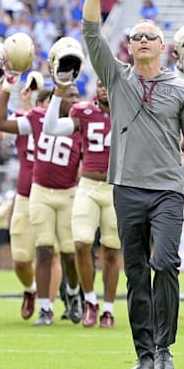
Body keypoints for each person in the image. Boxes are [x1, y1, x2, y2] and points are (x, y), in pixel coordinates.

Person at [83, 0, 184, 369]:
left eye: (150, 36)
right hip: (125, 188)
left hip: (167, 191)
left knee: (166, 263)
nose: (141, 40)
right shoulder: (117, 78)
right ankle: (144, 351)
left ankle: (165, 348)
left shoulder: (180, 89)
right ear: (130, 47)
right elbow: (90, 33)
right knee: (136, 271)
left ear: (163, 47)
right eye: (136, 36)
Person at [0, 78, 83, 326]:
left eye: (77, 96)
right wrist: (7, 86)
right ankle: (45, 308)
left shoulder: (82, 123)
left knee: (68, 253)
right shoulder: (36, 119)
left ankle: (73, 294)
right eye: (70, 95)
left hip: (68, 194)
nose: (75, 100)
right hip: (39, 192)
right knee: (43, 250)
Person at [43, 79, 121, 329]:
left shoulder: (128, 109)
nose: (104, 88)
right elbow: (51, 127)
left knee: (111, 250)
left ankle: (108, 308)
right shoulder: (84, 112)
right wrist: (57, 94)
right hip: (88, 185)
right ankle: (89, 301)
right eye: (100, 83)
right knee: (80, 243)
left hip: (117, 187)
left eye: (108, 83)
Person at [0, 87, 53, 321]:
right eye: (42, 103)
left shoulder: (66, 126)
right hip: (24, 196)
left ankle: (47, 307)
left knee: (51, 252)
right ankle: (31, 289)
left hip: (52, 194)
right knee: (20, 259)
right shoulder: (25, 125)